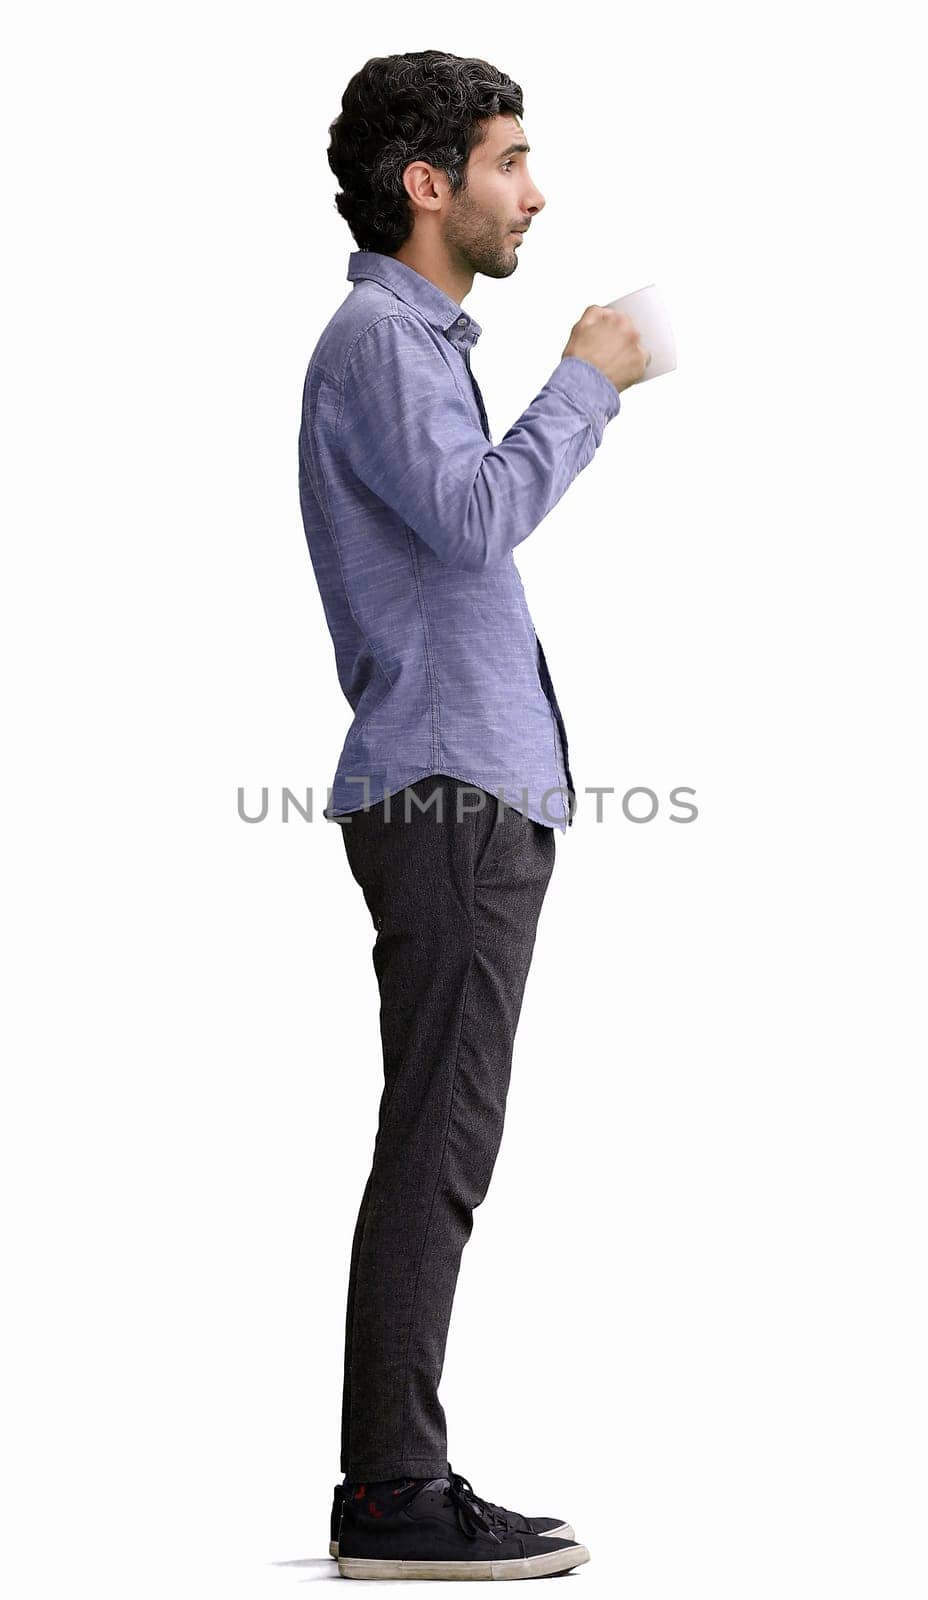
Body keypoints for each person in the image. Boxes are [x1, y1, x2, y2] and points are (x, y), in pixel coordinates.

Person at [297, 49, 649, 1582]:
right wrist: (591, 380)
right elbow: (472, 521)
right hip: (446, 793)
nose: (536, 189)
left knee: (442, 1139)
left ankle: (397, 1482)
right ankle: (390, 1497)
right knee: (436, 1145)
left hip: (469, 791)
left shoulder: (417, 345)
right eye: (510, 158)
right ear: (426, 183)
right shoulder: (380, 338)